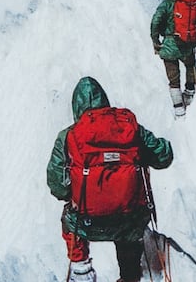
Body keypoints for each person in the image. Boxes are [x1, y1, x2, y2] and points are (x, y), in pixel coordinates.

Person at [47, 77, 173, 282]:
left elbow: (58, 187)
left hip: (87, 222)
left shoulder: (68, 136)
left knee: (68, 221)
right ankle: (130, 275)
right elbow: (163, 157)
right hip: (130, 220)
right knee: (129, 234)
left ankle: (81, 270)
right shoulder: (129, 128)